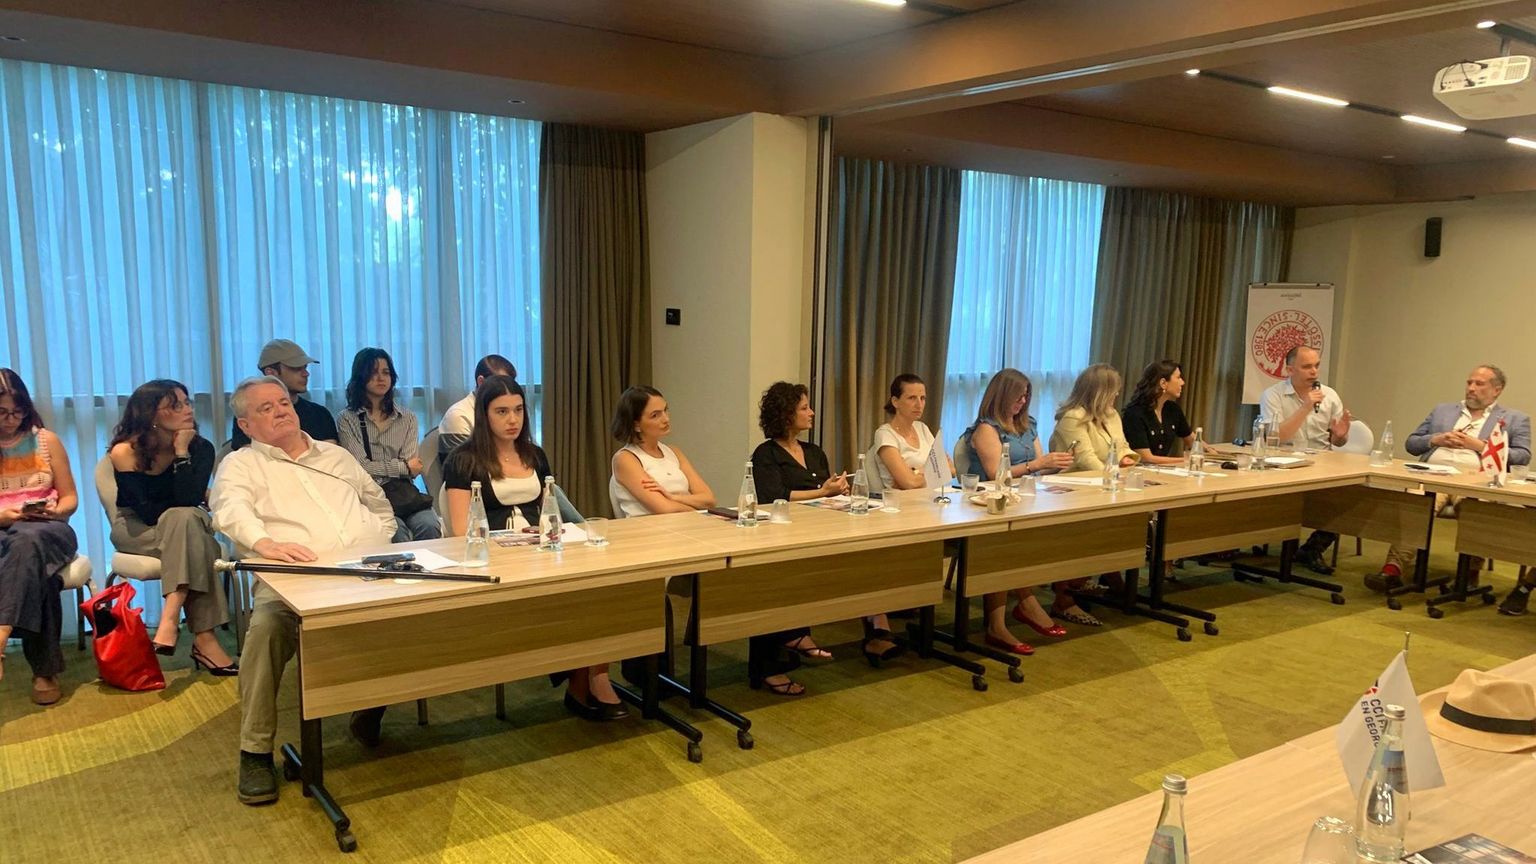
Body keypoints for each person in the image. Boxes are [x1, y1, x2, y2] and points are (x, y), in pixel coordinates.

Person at [211, 376, 397, 805]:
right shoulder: (241, 465)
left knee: (421, 613)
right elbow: (229, 510)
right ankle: (255, 750)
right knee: (266, 628)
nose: (281, 410)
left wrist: (379, 535)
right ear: (245, 425)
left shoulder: (335, 455)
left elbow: (377, 501)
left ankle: (372, 704)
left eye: (283, 402)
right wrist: (263, 543)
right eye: (266, 408)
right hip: (295, 580)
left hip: (365, 571)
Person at [439, 375, 614, 720]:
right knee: (569, 600)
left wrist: (548, 532)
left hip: (542, 550)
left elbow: (550, 510)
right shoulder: (463, 461)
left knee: (597, 586)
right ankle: (582, 681)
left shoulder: (535, 455)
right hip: (497, 559)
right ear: (484, 415)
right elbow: (461, 531)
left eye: (518, 410)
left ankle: (595, 676)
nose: (513, 419)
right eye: (502, 411)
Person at [107, 379, 235, 674]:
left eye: (187, 402)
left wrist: (181, 452)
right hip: (137, 529)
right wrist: (192, 499)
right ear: (150, 414)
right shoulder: (125, 451)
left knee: (185, 522)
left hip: (184, 528)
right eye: (175, 406)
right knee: (191, 533)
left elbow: (188, 501)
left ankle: (170, 617)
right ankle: (204, 640)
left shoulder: (201, 448)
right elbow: (148, 512)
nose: (187, 410)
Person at [1370, 365, 1532, 594]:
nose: (1471, 388)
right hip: (1433, 476)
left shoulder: (1515, 418)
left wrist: (1480, 446)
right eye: (1469, 382)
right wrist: (1436, 439)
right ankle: (1392, 569)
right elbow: (1412, 443)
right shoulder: (1443, 411)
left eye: (1479, 384)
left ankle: (1469, 574)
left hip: (1476, 482)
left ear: (1497, 390)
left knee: (1478, 509)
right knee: (1416, 503)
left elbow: (1523, 456)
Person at [961, 370, 1076, 653]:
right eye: (1018, 396)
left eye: (1026, 396)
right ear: (1002, 395)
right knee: (1005, 544)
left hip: (1023, 499)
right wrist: (1038, 465)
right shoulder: (986, 429)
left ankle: (1026, 603)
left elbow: (1038, 466)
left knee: (1044, 534)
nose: (1022, 402)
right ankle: (1005, 619)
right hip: (987, 505)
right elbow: (995, 474)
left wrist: (1057, 464)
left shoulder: (1028, 424)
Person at [748, 382, 847, 695]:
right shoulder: (765, 454)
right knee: (776, 592)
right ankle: (770, 666)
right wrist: (823, 492)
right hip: (778, 535)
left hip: (813, 533)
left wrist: (837, 489)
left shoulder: (814, 452)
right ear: (786, 414)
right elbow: (773, 496)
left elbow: (825, 491)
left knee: (807, 586)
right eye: (804, 408)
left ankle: (797, 634)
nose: (811, 412)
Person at [0, 369, 79, 706]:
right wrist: (4, 517)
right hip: (5, 531)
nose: (11, 419)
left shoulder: (46, 441)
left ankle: (1, 637)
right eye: (2, 412)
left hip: (49, 529)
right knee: (39, 571)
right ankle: (44, 671)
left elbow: (70, 498)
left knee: (29, 542)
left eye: (17, 411)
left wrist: (55, 512)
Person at [1046, 363, 1139, 628]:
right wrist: (1114, 478)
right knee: (1092, 530)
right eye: (1114, 390)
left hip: (1104, 486)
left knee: (1123, 524)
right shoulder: (1072, 418)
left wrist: (1128, 461)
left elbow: (1122, 446)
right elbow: (1086, 459)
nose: (1117, 395)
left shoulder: (1111, 415)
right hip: (1072, 491)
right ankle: (1066, 596)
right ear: (1100, 391)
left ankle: (1094, 579)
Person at [1258, 344, 1352, 575]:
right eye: (1307, 366)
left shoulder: (1330, 395)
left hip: (1321, 463)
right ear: (1290, 370)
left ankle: (1311, 549)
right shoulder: (1273, 395)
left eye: (1316, 366)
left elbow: (1338, 441)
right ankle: (1278, 542)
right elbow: (1277, 437)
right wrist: (1306, 406)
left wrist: (1340, 436)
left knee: (1347, 497)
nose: (1314, 372)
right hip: (1282, 463)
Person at [336, 348, 441, 542]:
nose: (381, 378)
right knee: (395, 531)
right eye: (373, 373)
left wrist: (402, 468)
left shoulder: (407, 418)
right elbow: (360, 467)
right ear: (360, 377)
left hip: (405, 494)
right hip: (372, 496)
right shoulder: (347, 419)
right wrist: (402, 467)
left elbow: (413, 469)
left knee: (429, 525)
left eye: (386, 372)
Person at [608, 386, 715, 516]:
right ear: (636, 425)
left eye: (665, 410)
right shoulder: (626, 458)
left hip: (685, 523)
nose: (666, 419)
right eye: (655, 415)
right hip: (650, 526)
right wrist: (697, 512)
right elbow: (664, 508)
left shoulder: (674, 452)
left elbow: (708, 499)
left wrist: (673, 497)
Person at [229, 339, 337, 449]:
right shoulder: (251, 416)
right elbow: (248, 453)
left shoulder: (320, 414)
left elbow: (331, 452)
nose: (306, 374)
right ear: (270, 373)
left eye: (305, 368)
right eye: (296, 368)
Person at [437, 354, 517, 461]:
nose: (508, 390)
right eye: (502, 384)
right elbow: (460, 467)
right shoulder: (458, 416)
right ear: (481, 382)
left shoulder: (512, 414)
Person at [1122, 360, 1195, 466]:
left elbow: (1192, 440)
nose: (1182, 382)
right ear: (1163, 383)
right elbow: (1146, 458)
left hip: (1164, 469)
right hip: (1139, 471)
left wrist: (1213, 453)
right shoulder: (1134, 413)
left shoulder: (1173, 409)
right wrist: (1187, 460)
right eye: (1178, 377)